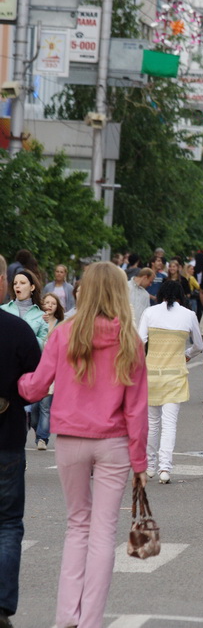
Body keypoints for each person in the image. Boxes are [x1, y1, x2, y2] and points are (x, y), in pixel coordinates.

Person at [18, 262, 149, 628]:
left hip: (71, 438)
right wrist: (140, 463)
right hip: (114, 442)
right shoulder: (130, 340)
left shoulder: (65, 333)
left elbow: (37, 386)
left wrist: (17, 382)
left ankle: (65, 619)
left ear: (83, 290)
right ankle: (91, 621)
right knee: (104, 532)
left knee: (77, 526)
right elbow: (136, 409)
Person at [0, 255, 41, 628]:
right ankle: (1, 607)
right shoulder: (17, 330)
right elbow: (35, 384)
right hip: (7, 437)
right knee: (9, 523)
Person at [138, 280, 203, 483]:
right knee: (169, 423)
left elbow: (139, 341)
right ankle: (165, 469)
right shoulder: (189, 315)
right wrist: (186, 354)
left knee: (152, 423)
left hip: (152, 374)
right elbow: (199, 346)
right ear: (181, 295)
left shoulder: (150, 313)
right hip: (175, 374)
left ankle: (149, 465)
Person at [30, 294, 65, 450]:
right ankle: (39, 430)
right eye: (47, 302)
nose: (50, 305)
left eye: (53, 303)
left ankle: (42, 438)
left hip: (53, 371)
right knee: (33, 409)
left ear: (57, 307)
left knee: (45, 406)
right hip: (36, 369)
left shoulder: (61, 325)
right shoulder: (37, 321)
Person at [1, 270, 48, 348]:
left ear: (32, 287)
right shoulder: (3, 309)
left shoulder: (41, 315)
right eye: (15, 283)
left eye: (22, 283)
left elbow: (45, 345)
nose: (17, 286)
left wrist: (26, 336)